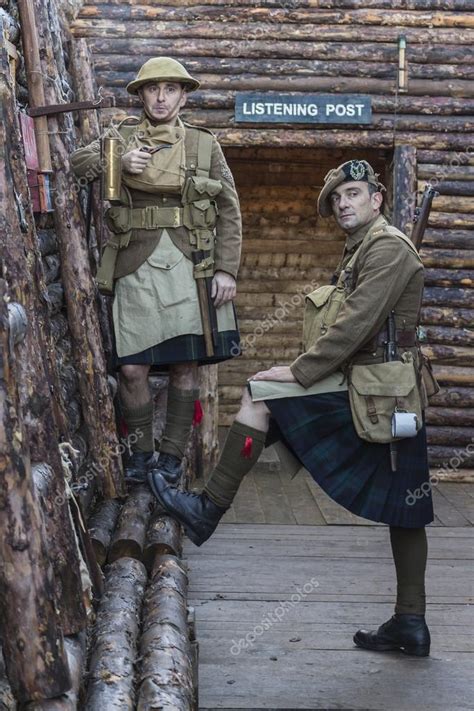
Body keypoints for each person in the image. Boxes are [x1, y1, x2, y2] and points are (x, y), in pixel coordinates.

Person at [149, 159, 435, 658]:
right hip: (372, 386)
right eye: (336, 199)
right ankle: (410, 622)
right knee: (404, 505)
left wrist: (299, 371)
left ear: (376, 198)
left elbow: (356, 326)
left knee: (264, 397)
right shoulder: (362, 249)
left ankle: (206, 511)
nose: (343, 204)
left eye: (351, 193)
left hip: (381, 394)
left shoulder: (387, 248)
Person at [71, 57, 242, 484]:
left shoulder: (204, 144)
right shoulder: (120, 136)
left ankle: (171, 455)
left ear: (184, 96)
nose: (161, 97)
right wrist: (118, 161)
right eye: (152, 89)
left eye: (170, 89)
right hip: (135, 262)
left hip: (191, 262)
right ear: (141, 95)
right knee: (132, 368)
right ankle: (139, 454)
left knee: (187, 367)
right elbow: (76, 166)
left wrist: (227, 270)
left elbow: (229, 209)